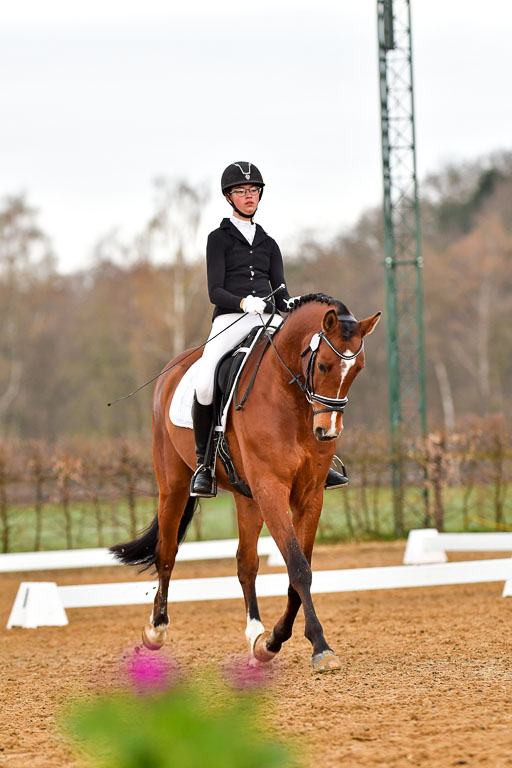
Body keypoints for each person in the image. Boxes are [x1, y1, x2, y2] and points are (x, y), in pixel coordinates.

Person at [190, 161, 348, 497]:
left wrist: (290, 305)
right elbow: (213, 290)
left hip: (269, 318)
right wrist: (244, 302)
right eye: (241, 192)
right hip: (231, 318)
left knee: (304, 365)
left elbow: (282, 292)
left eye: (253, 191)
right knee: (205, 384)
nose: (249, 196)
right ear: (229, 197)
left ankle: (318, 457)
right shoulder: (218, 239)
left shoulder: (268, 243)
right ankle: (204, 465)